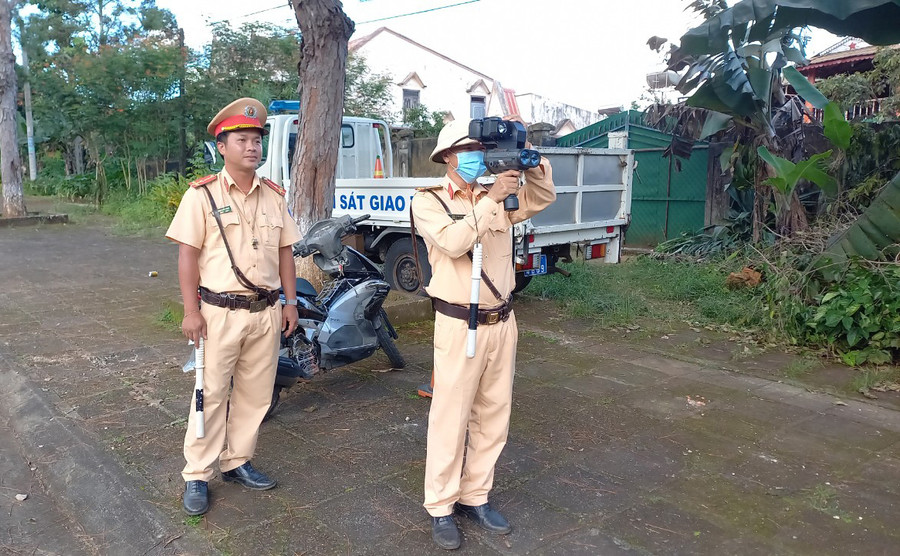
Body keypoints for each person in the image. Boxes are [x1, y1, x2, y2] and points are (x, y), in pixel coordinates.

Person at [411, 118, 555, 550]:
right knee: (450, 416)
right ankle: (440, 505)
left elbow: (544, 196)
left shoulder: (502, 192)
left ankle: (476, 495)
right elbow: (454, 243)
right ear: (449, 157)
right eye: (469, 149)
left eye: (483, 147)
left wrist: (528, 156)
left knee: (493, 414)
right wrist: (492, 198)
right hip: (459, 324)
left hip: (501, 320)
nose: (478, 155)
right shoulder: (430, 200)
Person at [165, 98, 302, 516]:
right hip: (218, 313)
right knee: (210, 393)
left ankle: (237, 460)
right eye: (242, 140)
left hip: (265, 312)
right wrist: (191, 311)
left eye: (257, 140)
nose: (252, 148)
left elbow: (285, 253)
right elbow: (187, 255)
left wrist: (290, 302)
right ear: (222, 147)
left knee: (256, 395)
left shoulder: (274, 195)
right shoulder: (202, 196)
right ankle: (197, 473)